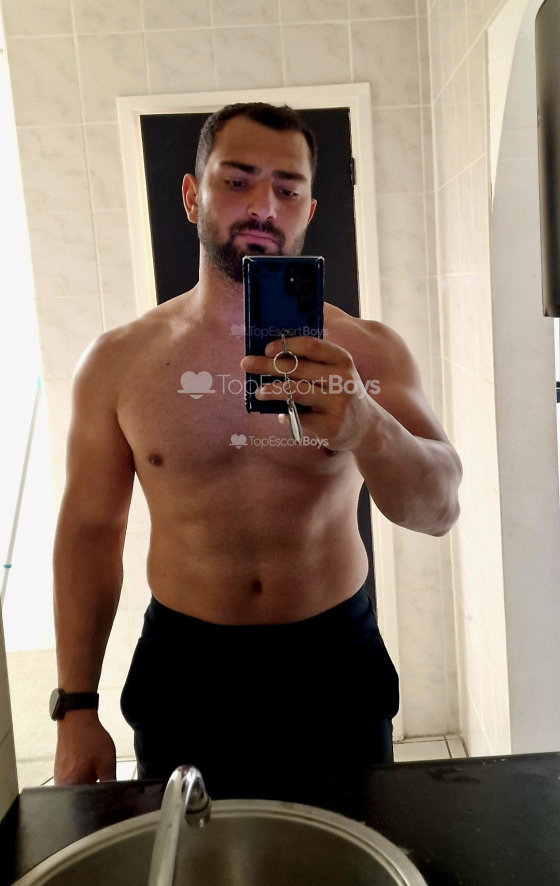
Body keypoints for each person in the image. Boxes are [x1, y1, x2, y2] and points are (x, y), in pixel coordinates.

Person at [52, 102, 462, 799]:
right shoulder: (119, 363)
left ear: (309, 211)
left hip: (334, 660)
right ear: (192, 195)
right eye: (237, 181)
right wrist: (75, 706)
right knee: (194, 863)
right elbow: (90, 533)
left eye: (287, 188)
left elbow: (440, 508)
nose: (263, 207)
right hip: (186, 668)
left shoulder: (367, 352)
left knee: (347, 856)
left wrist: (367, 426)